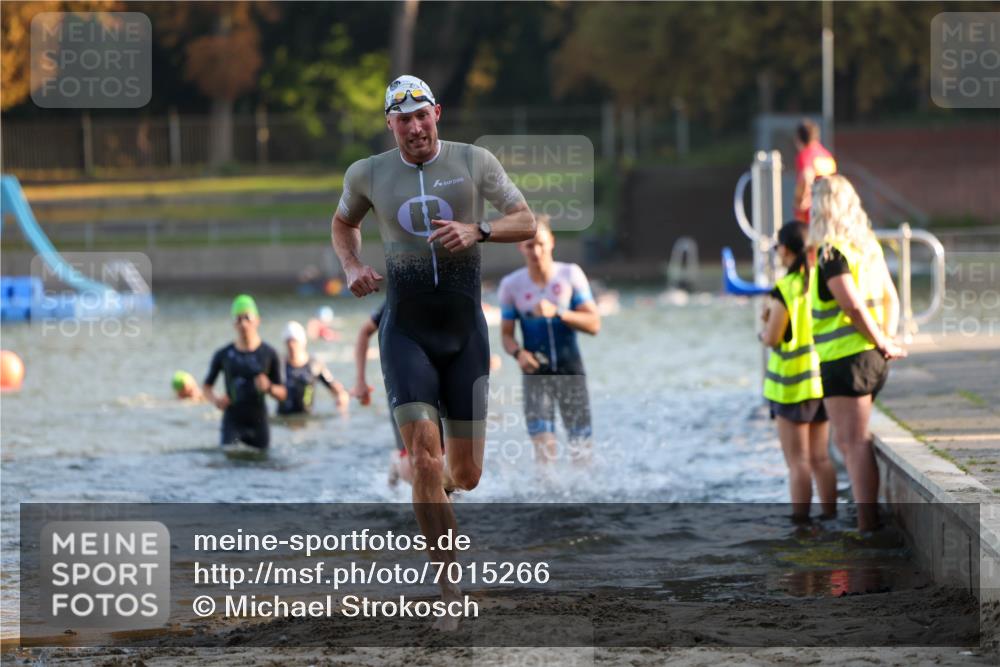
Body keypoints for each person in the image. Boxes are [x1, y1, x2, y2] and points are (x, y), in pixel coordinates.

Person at [331, 74, 535, 628]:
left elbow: (527, 220)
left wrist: (479, 230)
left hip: (465, 331)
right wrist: (352, 266)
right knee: (423, 454)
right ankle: (449, 585)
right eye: (404, 119)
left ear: (437, 113)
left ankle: (429, 485)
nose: (415, 127)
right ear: (390, 124)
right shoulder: (367, 173)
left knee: (464, 475)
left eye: (423, 115)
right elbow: (342, 223)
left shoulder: (475, 161)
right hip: (407, 332)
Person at [808, 175, 906, 531]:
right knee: (848, 440)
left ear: (822, 208)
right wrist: (886, 342)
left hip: (847, 360)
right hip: (870, 359)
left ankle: (867, 526)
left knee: (853, 443)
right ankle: (866, 521)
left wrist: (880, 341)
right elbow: (891, 298)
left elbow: (852, 307)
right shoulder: (867, 246)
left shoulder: (832, 252)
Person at [499, 216, 601, 465]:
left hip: (571, 372)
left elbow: (594, 324)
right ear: (520, 247)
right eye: (529, 245)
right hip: (537, 376)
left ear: (551, 242)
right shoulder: (511, 285)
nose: (536, 251)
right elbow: (506, 335)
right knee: (545, 458)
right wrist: (518, 354)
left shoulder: (570, 275)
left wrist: (558, 312)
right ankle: (548, 503)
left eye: (540, 244)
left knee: (582, 455)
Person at [759, 222, 836, 522]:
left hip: (791, 388)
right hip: (821, 383)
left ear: (786, 250)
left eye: (778, 246)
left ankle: (801, 526)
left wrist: (763, 328)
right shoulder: (821, 281)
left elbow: (773, 337)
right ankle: (831, 517)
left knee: (797, 463)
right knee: (821, 458)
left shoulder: (786, 288)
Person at [202, 295, 286, 450]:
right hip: (232, 422)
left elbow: (283, 394)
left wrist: (269, 387)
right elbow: (206, 386)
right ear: (233, 324)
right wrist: (216, 401)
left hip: (259, 423)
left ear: (257, 320)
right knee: (229, 462)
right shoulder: (224, 354)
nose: (243, 323)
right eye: (238, 319)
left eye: (247, 318)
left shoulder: (269, 353)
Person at [277, 320, 350, 416]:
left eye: (294, 341)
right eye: (288, 342)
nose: (292, 346)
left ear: (303, 342)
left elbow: (333, 386)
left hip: (307, 419)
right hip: (283, 419)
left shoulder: (315, 365)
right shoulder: (280, 365)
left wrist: (341, 397)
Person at [793, 119, 837, 223]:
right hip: (830, 208)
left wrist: (801, 201)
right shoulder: (826, 155)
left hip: (812, 212)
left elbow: (806, 175)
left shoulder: (805, 155)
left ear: (799, 138)